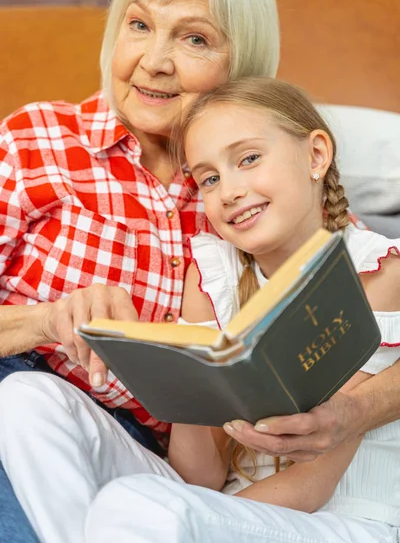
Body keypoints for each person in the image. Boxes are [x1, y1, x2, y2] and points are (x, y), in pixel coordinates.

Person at [1, 77, 400, 543]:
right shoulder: (210, 272)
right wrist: (183, 381)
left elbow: (312, 485)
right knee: (25, 397)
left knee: (134, 504)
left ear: (315, 155)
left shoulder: (374, 272)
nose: (228, 191)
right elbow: (199, 477)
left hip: (338, 519)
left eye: (248, 159)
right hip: (220, 505)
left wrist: (189, 514)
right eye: (209, 178)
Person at [0, 0, 280, 538]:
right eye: (139, 25)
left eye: (195, 38)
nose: (154, 61)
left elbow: (368, 291)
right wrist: (49, 321)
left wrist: (361, 408)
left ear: (243, 62)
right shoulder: (36, 140)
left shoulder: (254, 190)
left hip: (139, 451)